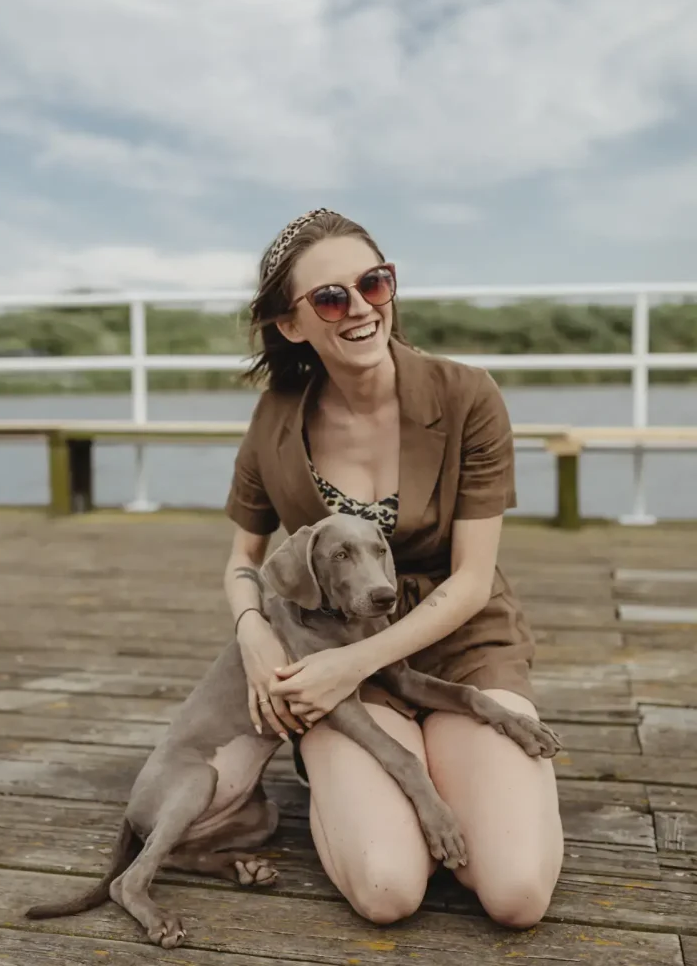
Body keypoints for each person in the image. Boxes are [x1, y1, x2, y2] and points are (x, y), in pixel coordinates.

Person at [222, 208, 563, 929]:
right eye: (330, 298)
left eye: (373, 284)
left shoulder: (466, 394)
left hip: (463, 644)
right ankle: (353, 795)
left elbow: (472, 581)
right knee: (387, 890)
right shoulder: (275, 421)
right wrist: (254, 631)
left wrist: (361, 663)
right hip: (331, 655)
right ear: (292, 323)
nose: (360, 309)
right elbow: (241, 562)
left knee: (517, 893)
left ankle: (440, 773)